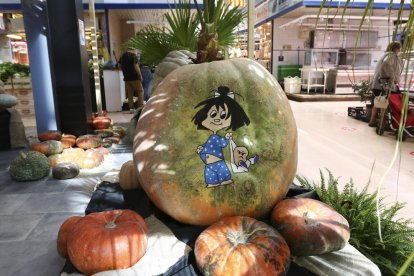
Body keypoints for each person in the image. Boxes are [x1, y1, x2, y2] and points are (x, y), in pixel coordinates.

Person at [368, 41, 402, 127]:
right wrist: (392, 78)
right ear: (395, 48)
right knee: (383, 103)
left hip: (378, 83)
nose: (399, 50)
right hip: (383, 84)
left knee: (377, 102)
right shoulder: (391, 56)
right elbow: (387, 65)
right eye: (399, 48)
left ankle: (373, 121)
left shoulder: (386, 55)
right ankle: (382, 123)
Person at [118, 47, 144, 113]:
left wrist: (124, 71)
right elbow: (136, 66)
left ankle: (131, 108)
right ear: (133, 50)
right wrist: (140, 75)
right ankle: (141, 107)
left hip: (126, 77)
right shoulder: (134, 56)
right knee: (140, 90)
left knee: (130, 93)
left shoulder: (123, 56)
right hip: (134, 77)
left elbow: (119, 65)